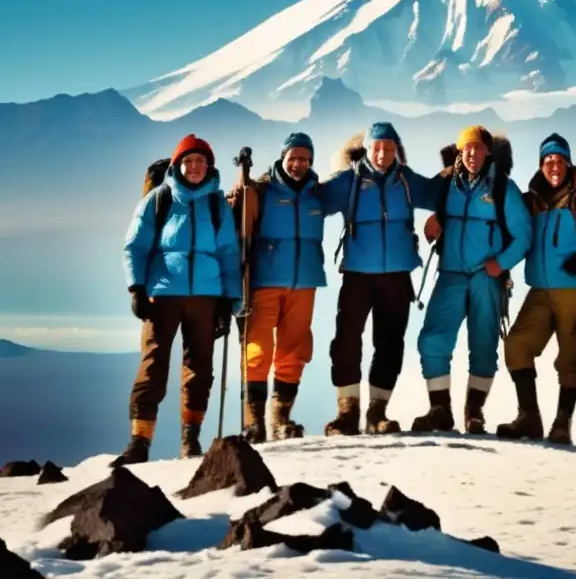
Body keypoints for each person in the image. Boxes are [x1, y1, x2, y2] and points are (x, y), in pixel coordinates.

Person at [114, 134, 241, 466]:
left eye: (201, 161)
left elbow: (229, 253)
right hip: (163, 296)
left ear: (209, 166)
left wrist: (230, 299)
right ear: (178, 165)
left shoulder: (217, 205)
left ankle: (191, 439)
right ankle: (139, 441)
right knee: (153, 366)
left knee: (200, 368)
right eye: (189, 161)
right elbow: (135, 247)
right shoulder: (159, 199)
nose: (195, 167)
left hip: (206, 298)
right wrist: (136, 289)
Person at [496, 134, 576, 445]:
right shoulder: (532, 201)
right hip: (538, 290)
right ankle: (529, 417)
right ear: (541, 165)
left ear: (568, 163)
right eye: (548, 161)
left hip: (574, 291)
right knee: (516, 345)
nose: (554, 166)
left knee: (568, 358)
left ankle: (562, 423)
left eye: (559, 161)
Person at [321, 121, 442, 436]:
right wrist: (261, 187)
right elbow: (311, 199)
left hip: (397, 276)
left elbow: (439, 194)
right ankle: (347, 413)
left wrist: (451, 175)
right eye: (377, 147)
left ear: (396, 150)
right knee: (346, 341)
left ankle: (377, 412)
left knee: (390, 344)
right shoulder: (349, 180)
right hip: (358, 275)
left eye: (389, 148)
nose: (383, 153)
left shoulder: (406, 181)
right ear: (367, 148)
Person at [412, 125, 532, 434]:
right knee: (432, 340)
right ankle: (440, 410)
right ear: (460, 151)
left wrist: (501, 264)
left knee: (483, 344)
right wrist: (431, 224)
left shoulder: (504, 188)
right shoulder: (445, 184)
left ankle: (474, 411)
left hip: (485, 277)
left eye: (478, 148)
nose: (473, 154)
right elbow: (424, 204)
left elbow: (524, 235)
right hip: (451, 273)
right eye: (468, 148)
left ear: (488, 152)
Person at [226, 132, 326, 443]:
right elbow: (238, 213)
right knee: (257, 349)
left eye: (305, 159)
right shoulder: (261, 190)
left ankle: (280, 419)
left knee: (295, 349)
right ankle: (253, 422)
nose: (298, 164)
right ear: (283, 158)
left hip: (305, 281)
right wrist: (240, 177)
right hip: (264, 281)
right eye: (293, 157)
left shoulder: (317, 193)